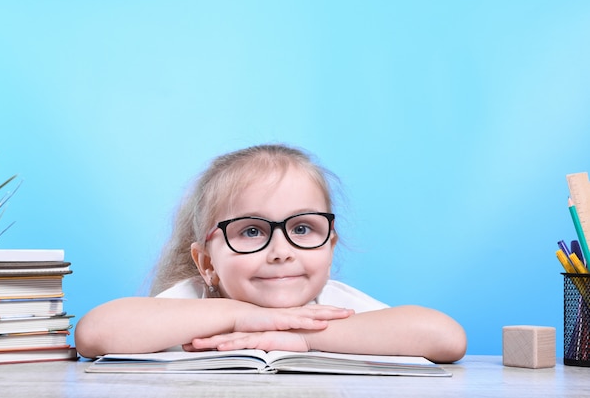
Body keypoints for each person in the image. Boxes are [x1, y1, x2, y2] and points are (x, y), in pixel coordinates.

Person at [75, 144, 466, 363]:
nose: (281, 251)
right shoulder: (191, 302)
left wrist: (304, 338)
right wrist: (241, 315)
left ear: (329, 246)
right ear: (207, 264)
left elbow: (444, 337)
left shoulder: (331, 308)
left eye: (301, 228)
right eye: (251, 231)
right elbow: (94, 334)